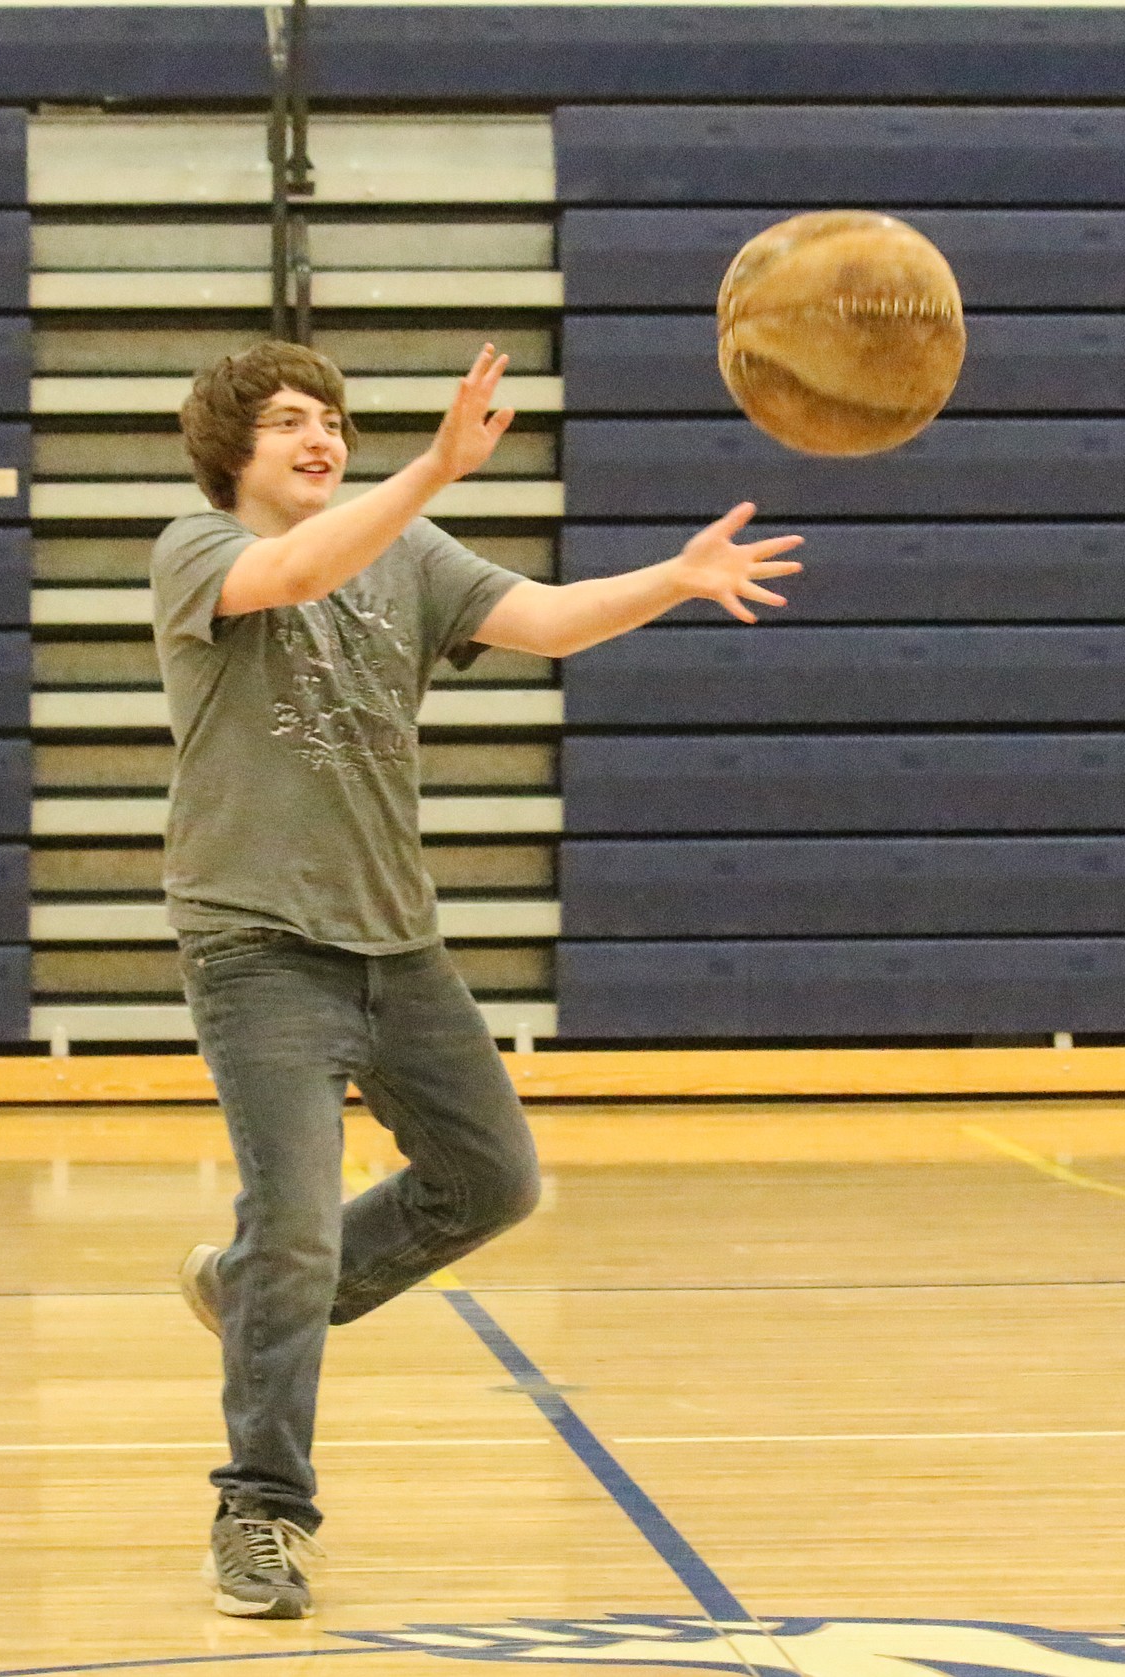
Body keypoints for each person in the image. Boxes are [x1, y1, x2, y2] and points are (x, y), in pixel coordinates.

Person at [151, 338, 803, 1621]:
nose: (319, 436)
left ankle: (246, 1296)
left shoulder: (408, 555)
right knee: (291, 1220)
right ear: (234, 451)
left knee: (494, 1180)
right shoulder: (196, 549)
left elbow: (548, 621)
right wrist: (436, 469)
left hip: (398, 940)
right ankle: (262, 1512)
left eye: (331, 418)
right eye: (289, 422)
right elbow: (295, 569)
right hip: (257, 942)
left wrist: (671, 579)